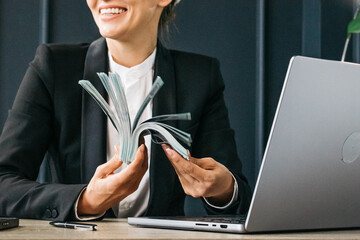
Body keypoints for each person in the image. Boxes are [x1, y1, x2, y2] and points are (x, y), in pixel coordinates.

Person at [0, 0, 251, 220]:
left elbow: (237, 195)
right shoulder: (53, 67)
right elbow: (3, 183)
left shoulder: (199, 77)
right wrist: (85, 200)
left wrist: (223, 188)